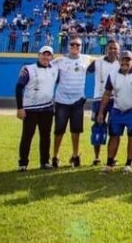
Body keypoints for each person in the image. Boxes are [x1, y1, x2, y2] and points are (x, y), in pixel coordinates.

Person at [97, 51, 132, 173]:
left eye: (128, 60)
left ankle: (128, 163)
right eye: (123, 59)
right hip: (117, 109)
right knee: (114, 135)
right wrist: (101, 112)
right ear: (119, 60)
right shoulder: (112, 74)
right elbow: (107, 93)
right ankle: (110, 164)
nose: (125, 62)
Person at [51, 36, 91, 168]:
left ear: (81, 47)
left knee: (76, 130)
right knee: (59, 130)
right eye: (72, 45)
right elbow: (46, 66)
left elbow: (99, 60)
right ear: (68, 46)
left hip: (78, 101)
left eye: (78, 45)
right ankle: (55, 157)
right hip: (62, 101)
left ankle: (75, 156)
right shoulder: (60, 60)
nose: (75, 47)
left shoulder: (86, 59)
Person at [15, 45, 57, 171]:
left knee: (45, 136)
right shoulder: (28, 69)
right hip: (30, 109)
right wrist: (20, 108)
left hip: (47, 109)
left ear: (51, 57)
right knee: (27, 136)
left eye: (48, 54)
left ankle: (44, 162)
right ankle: (23, 163)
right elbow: (19, 87)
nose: (45, 57)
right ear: (38, 55)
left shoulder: (55, 69)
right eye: (43, 54)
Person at [90, 40, 119, 166]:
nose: (112, 50)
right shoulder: (97, 62)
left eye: (115, 48)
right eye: (110, 48)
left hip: (115, 99)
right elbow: (83, 71)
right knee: (98, 127)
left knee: (114, 129)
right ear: (106, 49)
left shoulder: (121, 63)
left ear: (118, 50)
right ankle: (96, 157)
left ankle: (111, 158)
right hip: (99, 98)